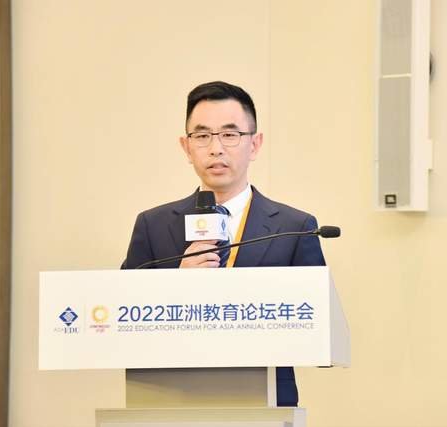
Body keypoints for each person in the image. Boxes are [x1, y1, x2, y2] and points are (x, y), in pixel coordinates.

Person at [122, 81, 326, 406]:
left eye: (230, 134)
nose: (216, 148)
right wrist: (174, 284)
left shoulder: (294, 228)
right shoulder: (153, 225)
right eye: (202, 136)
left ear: (255, 145)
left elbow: (318, 332)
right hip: (169, 399)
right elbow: (122, 319)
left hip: (264, 404)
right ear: (186, 147)